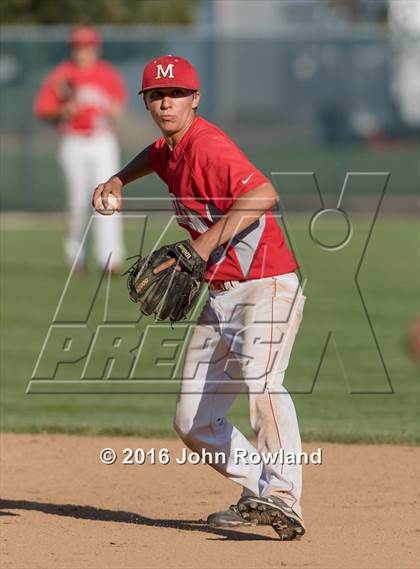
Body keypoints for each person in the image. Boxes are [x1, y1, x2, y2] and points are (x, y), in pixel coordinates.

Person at [92, 55, 307, 540]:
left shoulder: (208, 146)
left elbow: (265, 194)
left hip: (266, 283)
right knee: (193, 419)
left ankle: (285, 497)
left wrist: (200, 246)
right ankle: (261, 492)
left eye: (177, 94)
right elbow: (153, 156)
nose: (167, 102)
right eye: (157, 96)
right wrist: (117, 180)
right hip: (221, 294)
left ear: (195, 99)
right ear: (146, 102)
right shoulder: (171, 148)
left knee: (265, 385)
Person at [34, 25, 127, 274]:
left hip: (102, 140)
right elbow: (43, 109)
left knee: (108, 199)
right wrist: (63, 110)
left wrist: (109, 108)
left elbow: (118, 109)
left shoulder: (107, 74)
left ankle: (111, 259)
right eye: (78, 46)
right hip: (73, 141)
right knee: (77, 203)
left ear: (96, 48)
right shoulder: (62, 74)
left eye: (87, 46)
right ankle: (76, 257)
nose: (82, 51)